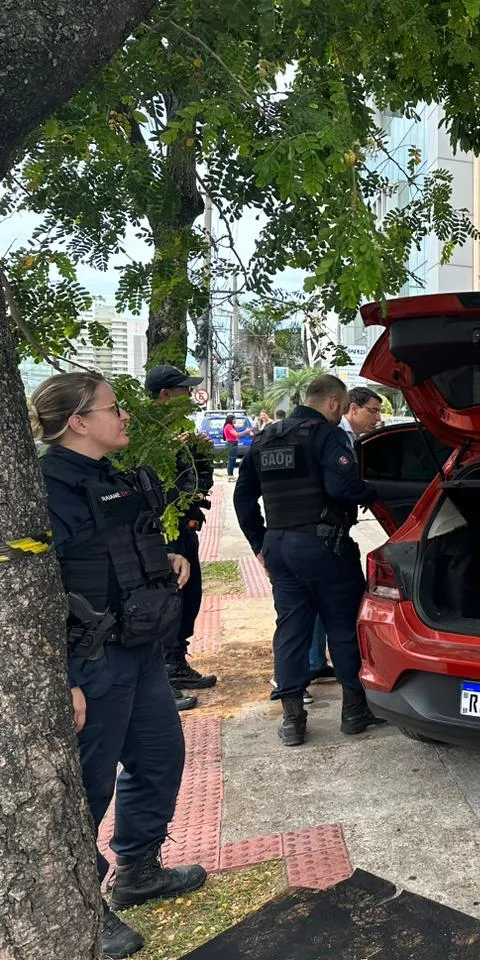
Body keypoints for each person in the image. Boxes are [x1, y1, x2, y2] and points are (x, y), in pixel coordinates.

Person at [32, 372, 208, 960]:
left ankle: (137, 868)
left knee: (160, 756)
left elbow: (123, 549)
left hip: (138, 651)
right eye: (112, 409)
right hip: (90, 663)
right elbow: (32, 593)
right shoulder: (44, 489)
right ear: (78, 423)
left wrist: (172, 561)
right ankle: (83, 907)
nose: (124, 416)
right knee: (85, 788)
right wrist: (63, 680)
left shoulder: (113, 477)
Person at [233, 375, 386, 746]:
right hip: (323, 548)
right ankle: (354, 711)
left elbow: (242, 499)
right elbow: (340, 489)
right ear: (334, 403)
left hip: (279, 547)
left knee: (291, 629)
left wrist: (260, 544)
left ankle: (292, 720)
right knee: (342, 626)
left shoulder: (267, 436)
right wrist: (379, 491)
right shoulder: (325, 434)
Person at [145, 364, 217, 711]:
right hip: (163, 535)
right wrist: (172, 450)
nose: (189, 396)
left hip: (186, 528)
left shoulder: (182, 431)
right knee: (166, 606)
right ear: (164, 395)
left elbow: (200, 487)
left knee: (190, 600)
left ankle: (177, 663)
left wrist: (201, 456)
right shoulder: (146, 435)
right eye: (182, 391)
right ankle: (161, 682)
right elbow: (151, 487)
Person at [308, 386, 384, 685]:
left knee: (315, 604)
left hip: (321, 533)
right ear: (352, 408)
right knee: (332, 608)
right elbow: (339, 487)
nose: (377, 418)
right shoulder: (333, 435)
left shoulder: (352, 437)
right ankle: (340, 684)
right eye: (373, 411)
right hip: (321, 534)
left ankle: (314, 663)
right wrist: (368, 493)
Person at [223, 415, 250, 479]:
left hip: (233, 443)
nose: (235, 420)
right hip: (231, 444)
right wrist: (246, 431)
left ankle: (230, 475)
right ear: (231, 419)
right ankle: (230, 476)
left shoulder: (231, 426)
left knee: (232, 459)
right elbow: (237, 435)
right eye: (234, 419)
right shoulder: (229, 426)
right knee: (231, 460)